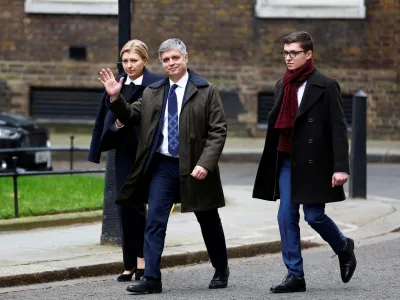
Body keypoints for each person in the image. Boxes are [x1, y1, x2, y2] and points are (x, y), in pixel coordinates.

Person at [98, 38, 229, 294]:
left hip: (195, 167)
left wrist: (206, 162)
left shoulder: (206, 90)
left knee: (208, 220)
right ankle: (152, 278)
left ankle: (221, 268)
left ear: (185, 58)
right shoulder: (153, 91)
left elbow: (218, 130)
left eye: (175, 58)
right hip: (163, 167)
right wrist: (115, 98)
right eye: (166, 60)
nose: (171, 63)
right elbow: (131, 115)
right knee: (155, 221)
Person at [253, 31, 357, 293]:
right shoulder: (282, 84)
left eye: (294, 53)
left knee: (314, 216)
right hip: (287, 160)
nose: (288, 58)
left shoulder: (326, 85)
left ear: (308, 54)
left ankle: (344, 247)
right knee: (285, 214)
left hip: (315, 163)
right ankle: (295, 275)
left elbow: (338, 128)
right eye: (285, 53)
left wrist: (341, 167)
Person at [88, 39, 163, 282]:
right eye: (126, 61)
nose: (129, 66)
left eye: (134, 60)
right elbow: (106, 121)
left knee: (141, 209)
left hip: (149, 153)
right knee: (125, 207)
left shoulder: (156, 84)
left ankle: (143, 260)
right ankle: (129, 263)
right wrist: (118, 120)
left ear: (145, 61)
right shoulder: (116, 84)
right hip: (124, 153)